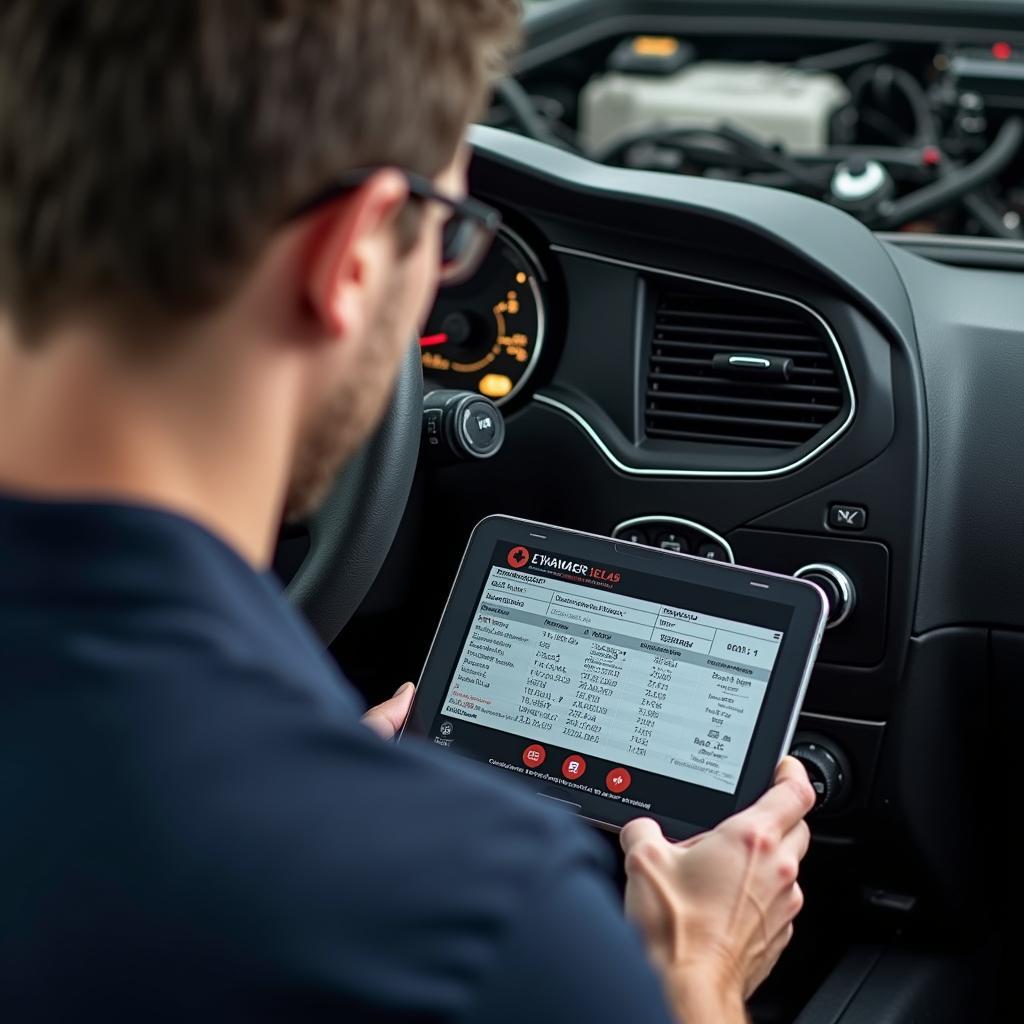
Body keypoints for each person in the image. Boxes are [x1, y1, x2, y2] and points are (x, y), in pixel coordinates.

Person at [0, 3, 815, 1022]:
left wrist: (323, 779)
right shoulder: (481, 918)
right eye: (451, 233)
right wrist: (693, 971)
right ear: (346, 254)